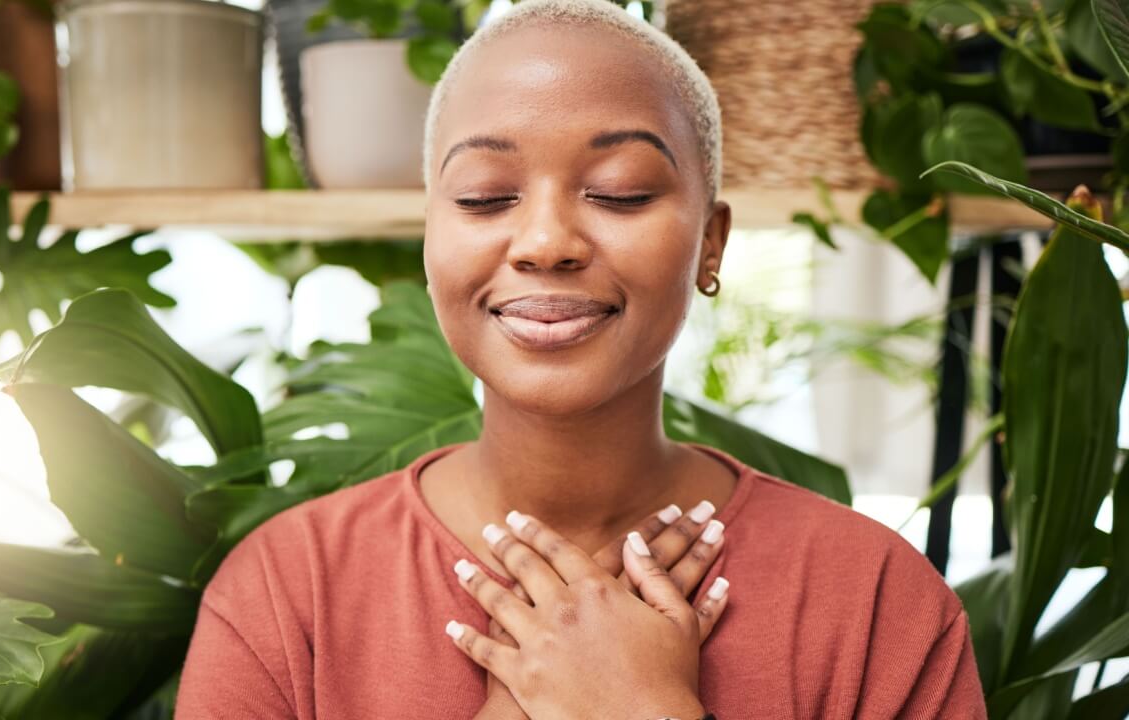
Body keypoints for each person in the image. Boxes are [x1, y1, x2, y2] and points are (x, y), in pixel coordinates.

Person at [175, 0, 989, 717]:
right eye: (485, 197)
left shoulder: (875, 600)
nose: (546, 243)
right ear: (431, 238)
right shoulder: (287, 595)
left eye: (622, 191)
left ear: (710, 244)